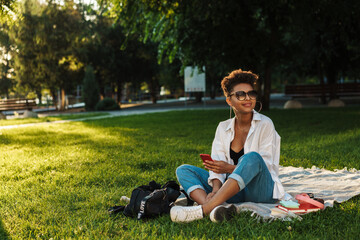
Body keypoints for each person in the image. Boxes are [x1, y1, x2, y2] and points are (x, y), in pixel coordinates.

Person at [170, 69, 287, 223]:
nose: (247, 98)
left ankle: (203, 210)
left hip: (260, 191)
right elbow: (216, 165)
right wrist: (216, 189)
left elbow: (265, 166)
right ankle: (215, 205)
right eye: (240, 94)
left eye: (251, 93)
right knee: (184, 170)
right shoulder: (222, 127)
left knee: (252, 158)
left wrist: (228, 168)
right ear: (229, 101)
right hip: (232, 190)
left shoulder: (265, 124)